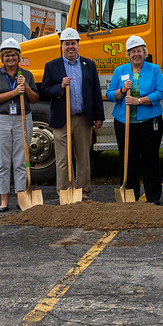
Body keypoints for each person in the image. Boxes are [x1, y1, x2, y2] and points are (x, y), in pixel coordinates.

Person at [39, 27, 105, 200]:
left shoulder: (88, 65)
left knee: (83, 158)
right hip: (62, 120)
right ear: (61, 46)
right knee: (62, 160)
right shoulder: (52, 66)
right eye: (67, 44)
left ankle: (83, 193)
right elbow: (44, 91)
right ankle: (64, 192)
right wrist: (59, 87)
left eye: (73, 43)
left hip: (83, 119)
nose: (70, 47)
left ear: (78, 45)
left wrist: (99, 116)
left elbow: (95, 92)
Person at [106, 35, 163, 203]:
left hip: (149, 122)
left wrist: (138, 101)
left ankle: (153, 197)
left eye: (139, 50)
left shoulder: (154, 69)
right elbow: (110, 94)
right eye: (133, 52)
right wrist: (122, 90)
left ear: (144, 52)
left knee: (150, 158)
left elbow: (160, 91)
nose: (136, 54)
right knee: (128, 159)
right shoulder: (120, 71)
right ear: (128, 54)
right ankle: (130, 196)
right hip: (124, 123)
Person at [0, 38, 38, 212]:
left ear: (19, 57)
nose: (10, 58)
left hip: (23, 118)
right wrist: (14, 92)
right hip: (0, 119)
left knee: (21, 160)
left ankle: (21, 197)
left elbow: (34, 99)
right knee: (3, 161)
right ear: (2, 57)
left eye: (14, 55)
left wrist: (26, 87)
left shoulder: (26, 74)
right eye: (7, 55)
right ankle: (4, 199)